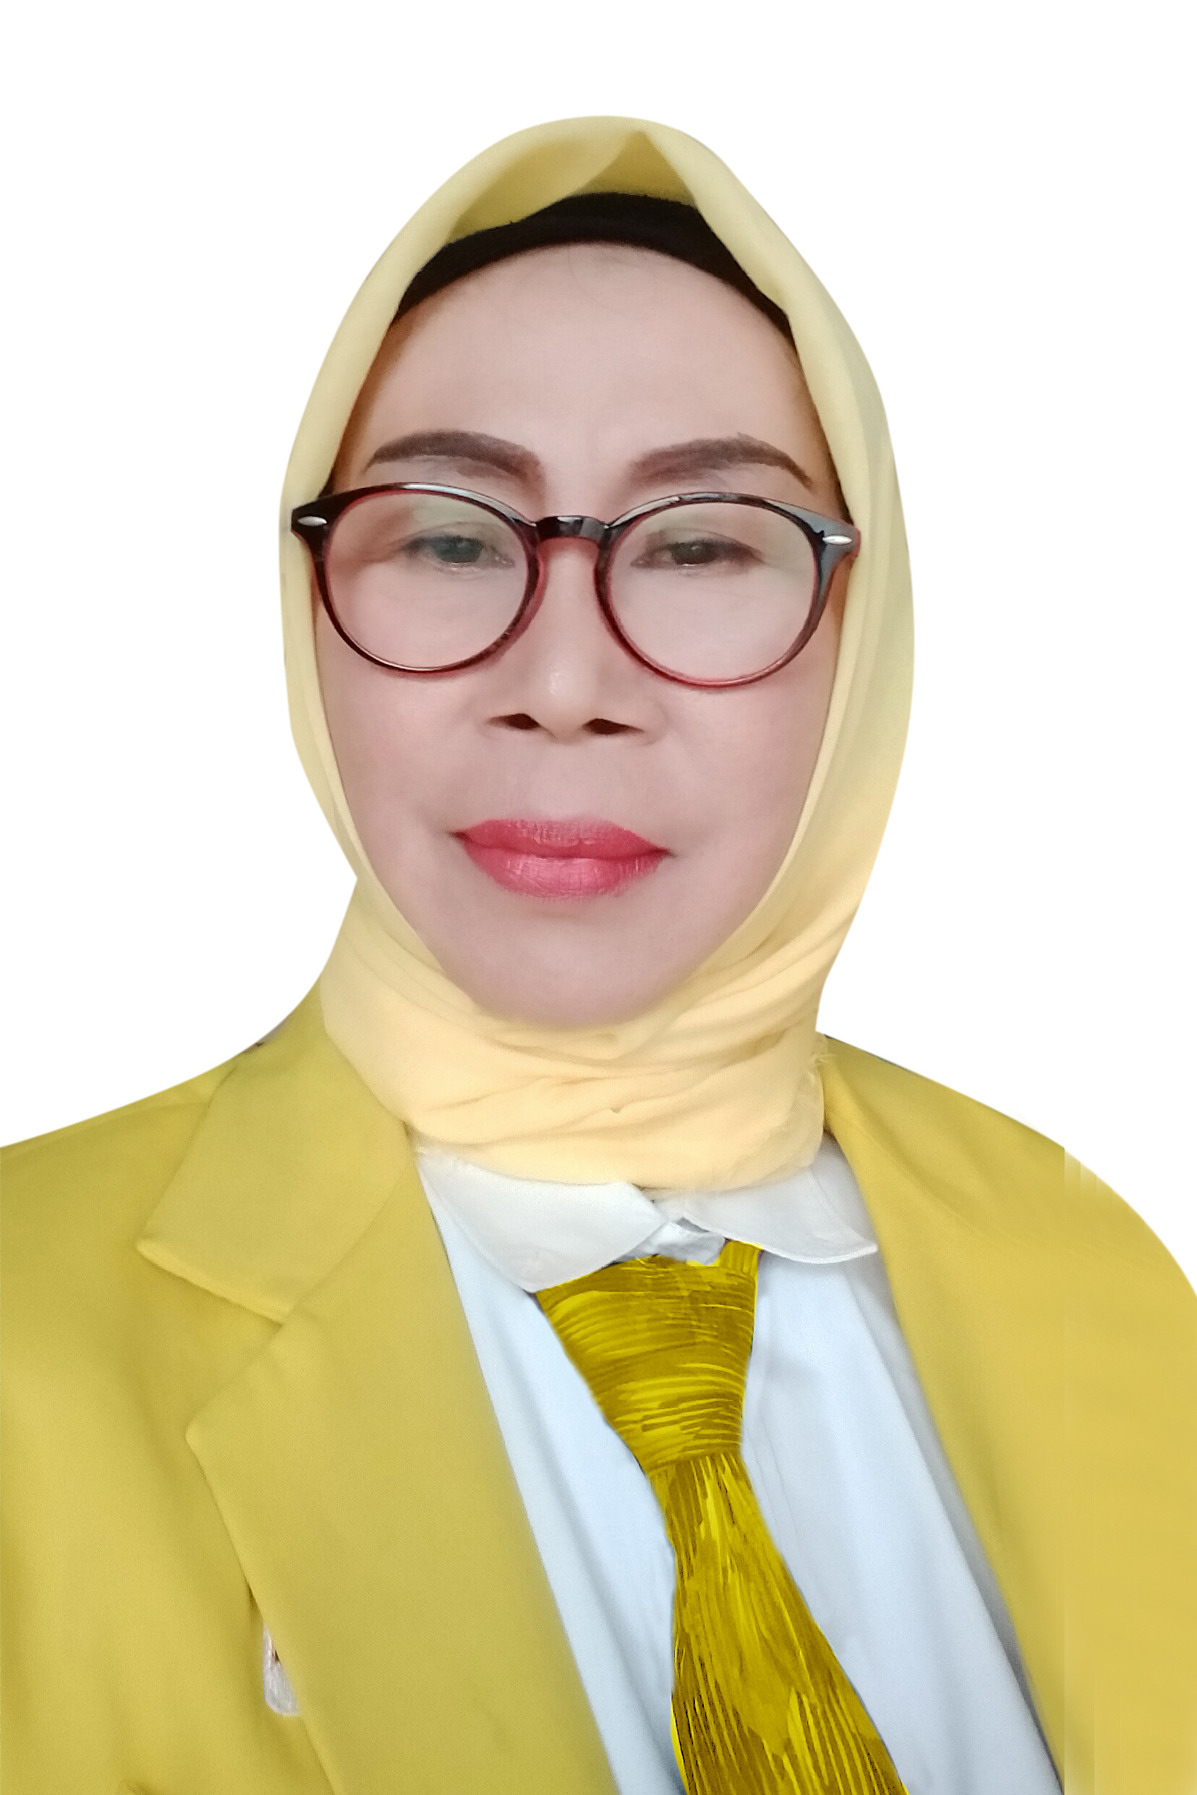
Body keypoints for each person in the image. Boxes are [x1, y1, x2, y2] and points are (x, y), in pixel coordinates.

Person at [2, 116, 1194, 1795]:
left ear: (861, 637)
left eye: (700, 544)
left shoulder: (1091, 1266)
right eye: (451, 538)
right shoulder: (23, 1328)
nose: (562, 684)